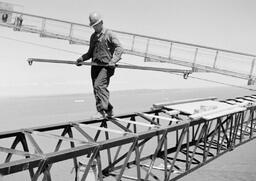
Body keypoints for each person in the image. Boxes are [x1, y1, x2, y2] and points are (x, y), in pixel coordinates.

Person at [76, 12, 123, 118]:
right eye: (93, 26)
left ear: (101, 22)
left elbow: (119, 48)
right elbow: (90, 53)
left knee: (99, 85)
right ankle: (109, 109)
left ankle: (101, 111)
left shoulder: (109, 34)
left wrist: (113, 61)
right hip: (95, 66)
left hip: (106, 66)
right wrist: (81, 59)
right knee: (96, 88)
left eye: (96, 25)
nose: (95, 27)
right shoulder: (93, 37)